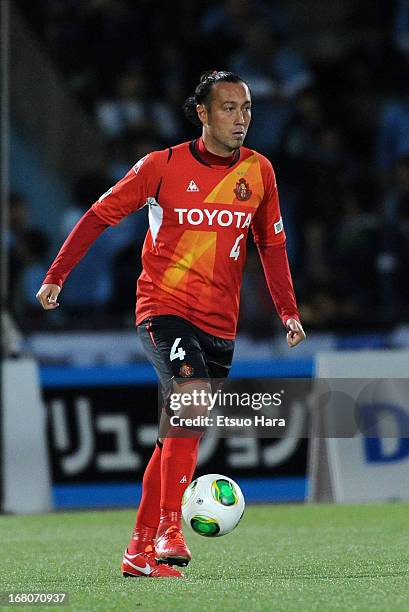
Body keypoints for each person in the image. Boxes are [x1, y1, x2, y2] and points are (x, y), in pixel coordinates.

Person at [36, 70, 306, 578]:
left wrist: (287, 311)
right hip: (163, 308)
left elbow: (271, 246)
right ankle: (168, 528)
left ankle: (137, 553)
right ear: (201, 113)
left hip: (220, 323)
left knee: (177, 432)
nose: (241, 118)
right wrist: (57, 275)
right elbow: (98, 215)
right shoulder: (162, 166)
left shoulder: (260, 171)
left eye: (246, 108)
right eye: (228, 108)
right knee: (191, 399)